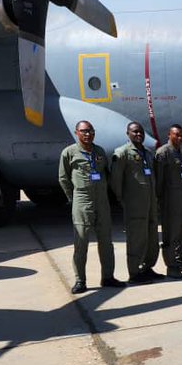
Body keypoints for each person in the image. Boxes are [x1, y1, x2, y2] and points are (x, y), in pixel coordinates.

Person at [58, 120, 123, 294]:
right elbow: (63, 178)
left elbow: (105, 174)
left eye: (91, 131)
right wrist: (74, 198)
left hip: (102, 202)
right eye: (84, 131)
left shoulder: (99, 151)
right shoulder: (69, 153)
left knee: (106, 242)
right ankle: (80, 280)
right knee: (81, 242)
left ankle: (108, 277)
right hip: (82, 200)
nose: (88, 134)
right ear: (76, 132)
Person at [110, 122, 161, 284]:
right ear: (128, 134)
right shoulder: (122, 153)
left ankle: (148, 267)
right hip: (135, 203)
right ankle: (134, 271)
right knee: (136, 237)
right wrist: (122, 199)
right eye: (135, 132)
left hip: (150, 202)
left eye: (141, 132)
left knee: (152, 236)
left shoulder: (147, 153)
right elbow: (116, 180)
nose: (139, 134)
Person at [155, 124, 182, 279]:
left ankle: (178, 260)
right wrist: (161, 201)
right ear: (169, 135)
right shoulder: (164, 153)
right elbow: (159, 180)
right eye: (176, 135)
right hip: (170, 202)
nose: (180, 138)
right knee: (171, 235)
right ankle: (171, 266)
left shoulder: (179, 153)